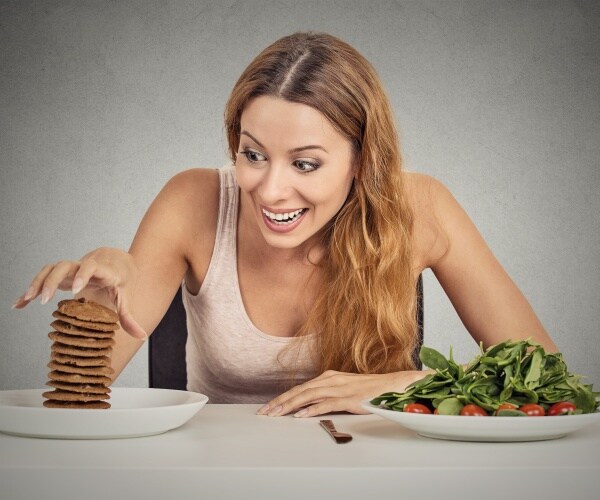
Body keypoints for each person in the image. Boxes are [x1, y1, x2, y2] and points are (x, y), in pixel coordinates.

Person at [13, 32, 557, 417]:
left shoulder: (421, 207)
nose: (270, 190)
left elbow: (546, 376)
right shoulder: (192, 202)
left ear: (363, 162)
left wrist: (403, 387)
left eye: (305, 164)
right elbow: (78, 397)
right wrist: (98, 301)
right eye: (253, 155)